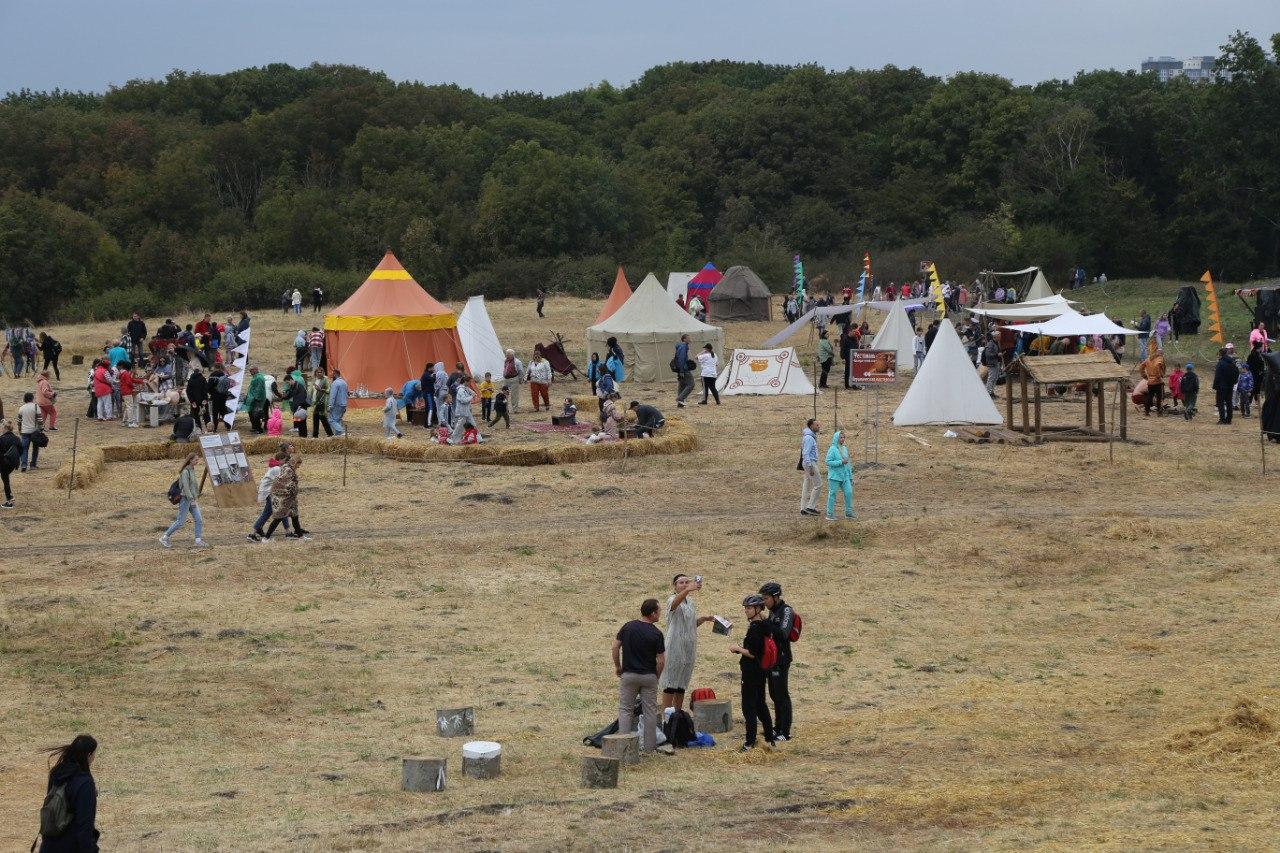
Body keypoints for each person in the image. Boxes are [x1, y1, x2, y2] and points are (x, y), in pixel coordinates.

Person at [611, 598, 665, 756]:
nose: (660, 614)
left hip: (629, 675)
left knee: (625, 710)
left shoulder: (628, 627)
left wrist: (618, 666)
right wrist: (656, 676)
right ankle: (649, 749)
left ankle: (624, 748)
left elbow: (615, 647)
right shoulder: (656, 633)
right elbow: (661, 660)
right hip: (648, 676)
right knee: (650, 712)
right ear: (653, 613)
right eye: (659, 611)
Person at [36, 733, 100, 852]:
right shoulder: (85, 783)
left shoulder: (56, 773)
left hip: (48, 845)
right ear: (89, 755)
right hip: (70, 846)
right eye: (94, 754)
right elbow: (84, 825)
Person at [659, 575, 713, 712]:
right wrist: (688, 589)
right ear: (675, 586)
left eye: (686, 582)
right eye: (681, 583)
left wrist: (704, 619)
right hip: (674, 645)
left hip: (688, 646)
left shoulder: (690, 602)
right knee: (670, 682)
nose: (684, 584)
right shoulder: (672, 599)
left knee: (682, 683)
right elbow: (674, 605)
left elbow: (691, 624)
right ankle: (666, 716)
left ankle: (678, 714)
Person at [730, 594, 775, 751]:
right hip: (761, 671)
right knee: (761, 704)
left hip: (751, 671)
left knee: (748, 707)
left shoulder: (755, 629)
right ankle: (769, 739)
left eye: (749, 608)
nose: (746, 611)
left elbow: (753, 653)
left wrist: (737, 649)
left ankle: (749, 742)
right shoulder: (765, 624)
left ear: (757, 609)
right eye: (746, 608)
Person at [758, 581, 795, 741]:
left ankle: (785, 732)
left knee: (781, 695)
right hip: (772, 659)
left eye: (766, 598)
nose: (764, 602)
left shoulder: (786, 611)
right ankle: (777, 727)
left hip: (781, 659)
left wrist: (765, 622)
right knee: (773, 694)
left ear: (775, 596)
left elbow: (783, 633)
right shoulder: (773, 612)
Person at [160, 452, 208, 548]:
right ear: (190, 460)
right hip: (186, 499)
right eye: (196, 460)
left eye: (198, 460)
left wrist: (195, 496)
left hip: (191, 499)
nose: (197, 461)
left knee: (199, 519)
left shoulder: (191, 470)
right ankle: (164, 537)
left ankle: (198, 541)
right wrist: (192, 499)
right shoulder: (185, 472)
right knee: (180, 522)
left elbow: (192, 486)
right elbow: (186, 488)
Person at [247, 446, 293, 541]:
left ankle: (288, 532)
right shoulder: (277, 469)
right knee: (269, 512)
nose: (286, 463)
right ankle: (252, 534)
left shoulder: (276, 467)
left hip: (269, 492)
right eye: (285, 461)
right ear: (280, 460)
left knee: (281, 511)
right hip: (269, 492)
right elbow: (281, 482)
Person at [262, 455, 311, 539]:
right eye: (298, 465)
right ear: (294, 463)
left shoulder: (286, 467)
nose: (298, 467)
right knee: (278, 518)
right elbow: (288, 484)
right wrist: (295, 490)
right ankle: (266, 538)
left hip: (288, 497)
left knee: (294, 516)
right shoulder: (288, 470)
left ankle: (301, 537)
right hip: (282, 498)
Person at [825, 430, 854, 520]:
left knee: (849, 492)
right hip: (835, 476)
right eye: (840, 437)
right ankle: (829, 514)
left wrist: (850, 477)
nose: (842, 439)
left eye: (843, 437)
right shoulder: (832, 449)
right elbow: (828, 462)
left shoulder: (845, 448)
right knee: (832, 494)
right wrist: (840, 462)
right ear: (836, 438)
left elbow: (848, 464)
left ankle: (849, 513)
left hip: (845, 476)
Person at [799, 418, 820, 516]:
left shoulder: (808, 436)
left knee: (806, 484)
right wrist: (810, 466)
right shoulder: (809, 438)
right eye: (817, 425)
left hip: (808, 463)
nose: (818, 427)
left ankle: (803, 508)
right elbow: (806, 453)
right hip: (810, 463)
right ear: (811, 426)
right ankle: (810, 507)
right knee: (818, 485)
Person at [1213, 347, 1239, 425]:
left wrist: (1215, 386)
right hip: (1230, 385)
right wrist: (1234, 382)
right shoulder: (1232, 362)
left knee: (1220, 403)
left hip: (1221, 386)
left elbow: (1217, 376)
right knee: (1229, 402)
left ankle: (1222, 419)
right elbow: (1236, 372)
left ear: (1221, 354)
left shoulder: (1220, 363)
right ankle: (1229, 419)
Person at [17, 392, 42, 472]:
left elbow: (19, 421)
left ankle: (24, 465)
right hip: (34, 431)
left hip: (24, 431)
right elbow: (40, 420)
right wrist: (41, 428)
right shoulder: (36, 406)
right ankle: (33, 464)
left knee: (24, 448)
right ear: (32, 398)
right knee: (35, 448)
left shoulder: (21, 408)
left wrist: (20, 430)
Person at [1140, 340, 1166, 417]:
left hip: (1150, 382)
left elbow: (1141, 367)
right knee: (1159, 397)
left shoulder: (1148, 359)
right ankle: (1159, 413)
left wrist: (1145, 376)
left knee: (1150, 396)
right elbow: (1158, 366)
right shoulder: (1159, 359)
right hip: (1157, 381)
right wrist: (1159, 375)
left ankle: (1146, 412)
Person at [1, 420, 20, 507]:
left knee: (6, 481)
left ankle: (10, 500)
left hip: (3, 463)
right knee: (6, 480)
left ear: (5, 429)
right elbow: (21, 451)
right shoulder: (17, 439)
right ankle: (9, 498)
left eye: (2, 428)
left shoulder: (2, 439)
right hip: (13, 463)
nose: (1, 430)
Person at [244, 367, 267, 433]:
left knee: (256, 414)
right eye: (250, 371)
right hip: (252, 398)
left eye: (251, 370)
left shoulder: (259, 378)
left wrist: (257, 398)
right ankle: (254, 427)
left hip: (256, 399)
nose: (250, 372)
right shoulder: (255, 377)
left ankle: (259, 429)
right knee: (251, 413)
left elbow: (259, 389)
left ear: (256, 370)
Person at [309, 370, 332, 437]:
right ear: (315, 373)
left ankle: (329, 434)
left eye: (320, 372)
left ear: (323, 373)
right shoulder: (314, 380)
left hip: (321, 402)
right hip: (314, 402)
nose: (319, 373)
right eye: (318, 372)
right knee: (316, 419)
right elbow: (311, 390)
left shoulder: (325, 380)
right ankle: (315, 435)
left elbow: (328, 390)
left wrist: (321, 389)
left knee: (323, 418)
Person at [501, 349, 524, 414]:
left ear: (512, 355)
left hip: (514, 379)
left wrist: (520, 379)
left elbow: (521, 371)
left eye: (508, 355)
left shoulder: (517, 362)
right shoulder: (506, 361)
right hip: (506, 379)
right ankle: (505, 409)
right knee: (505, 394)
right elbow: (505, 368)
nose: (506, 356)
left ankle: (515, 409)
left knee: (514, 395)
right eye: (506, 354)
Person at [674, 335, 694, 408]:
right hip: (684, 369)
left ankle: (680, 404)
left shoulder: (681, 346)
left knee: (682, 384)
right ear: (684, 339)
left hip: (680, 369)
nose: (690, 339)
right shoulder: (683, 347)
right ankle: (680, 398)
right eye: (689, 338)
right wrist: (682, 370)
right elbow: (681, 359)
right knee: (691, 384)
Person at [118, 362, 140, 428]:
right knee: (130, 406)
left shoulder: (123, 373)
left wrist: (140, 381)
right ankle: (130, 422)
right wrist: (134, 387)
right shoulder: (126, 373)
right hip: (127, 391)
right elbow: (129, 382)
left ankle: (124, 422)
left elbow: (131, 380)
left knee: (127, 406)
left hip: (124, 391)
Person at [327, 369, 348, 435]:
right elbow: (346, 394)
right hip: (343, 404)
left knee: (331, 420)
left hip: (337, 404)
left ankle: (341, 432)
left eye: (333, 374)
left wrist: (330, 405)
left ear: (335, 374)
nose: (331, 375)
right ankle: (338, 435)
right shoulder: (344, 382)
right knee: (338, 419)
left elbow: (333, 395)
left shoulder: (335, 383)